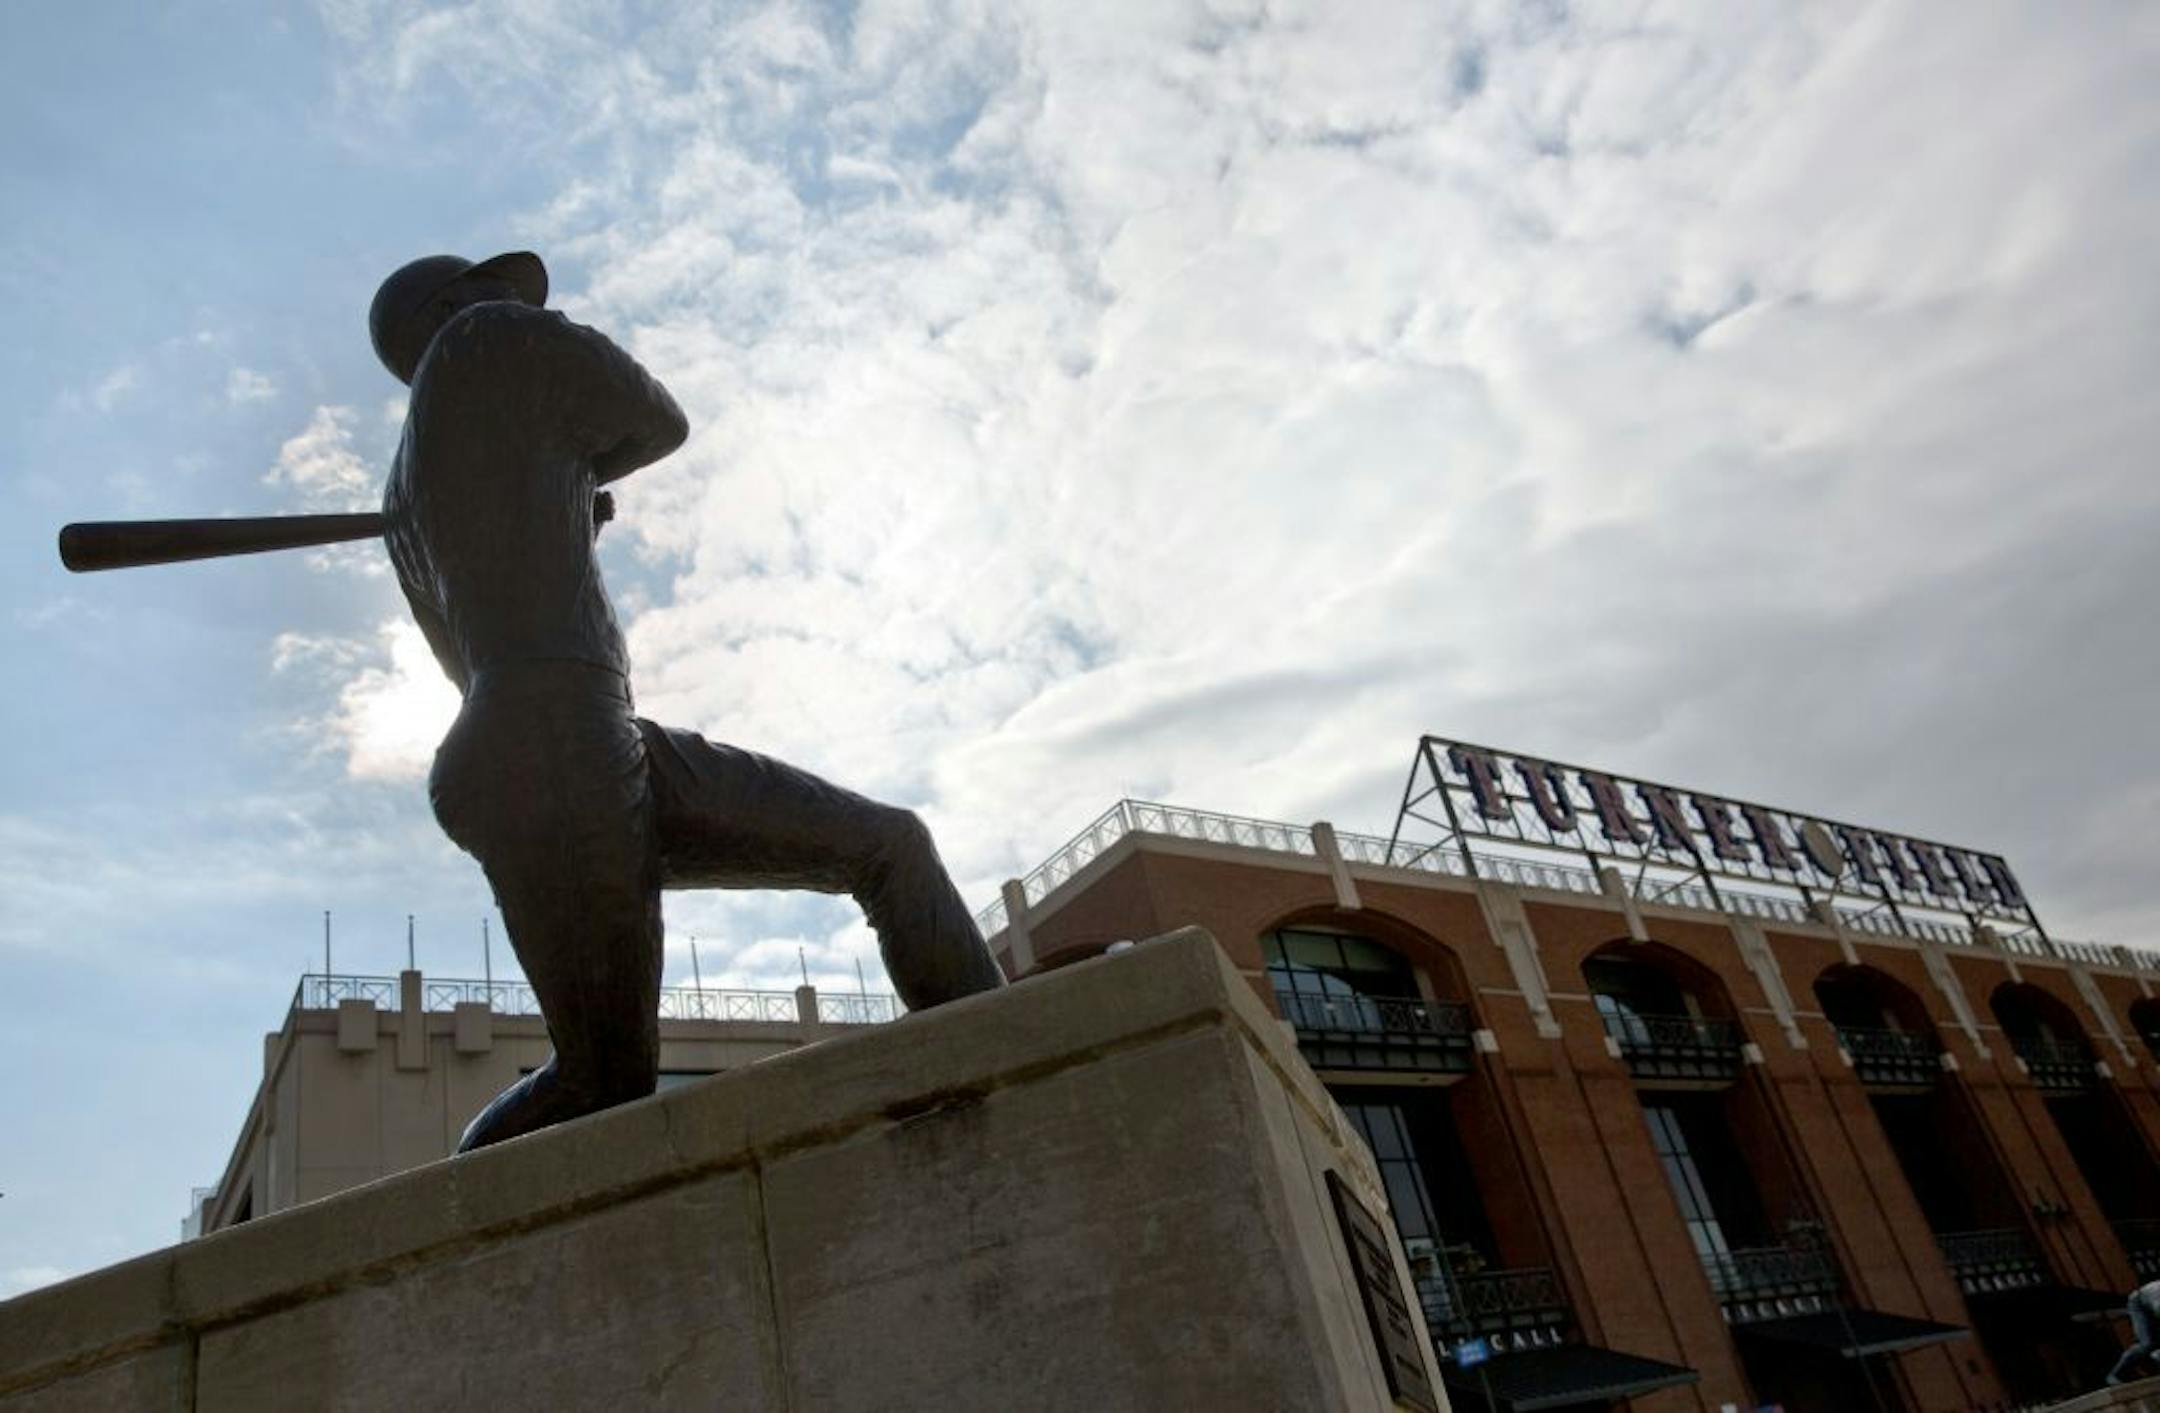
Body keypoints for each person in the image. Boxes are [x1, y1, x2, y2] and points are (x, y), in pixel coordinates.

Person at [367, 251, 1005, 1152]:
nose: (518, 299)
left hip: (566, 733)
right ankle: (461, 1210)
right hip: (563, 732)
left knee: (887, 845)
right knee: (602, 1079)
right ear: (451, 304)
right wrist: (585, 469)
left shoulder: (405, 498)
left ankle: (1022, 1063)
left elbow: (473, 663)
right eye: (495, 285)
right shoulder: (490, 333)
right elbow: (656, 421)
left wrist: (561, 487)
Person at [2107, 1276, 2160, 1386]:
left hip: (2150, 1304)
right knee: (2147, 1343)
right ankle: (2117, 1374)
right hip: (2139, 1303)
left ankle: (2150, 1367)